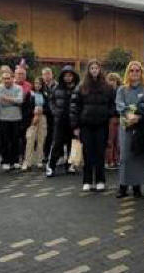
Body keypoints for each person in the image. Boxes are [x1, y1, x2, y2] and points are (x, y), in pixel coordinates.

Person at [70, 59, 114, 192]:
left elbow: (113, 104)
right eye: (92, 68)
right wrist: (75, 126)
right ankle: (87, 180)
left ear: (100, 70)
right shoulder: (81, 86)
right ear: (88, 70)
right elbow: (74, 107)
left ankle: (100, 180)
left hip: (101, 124)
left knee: (100, 153)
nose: (94, 70)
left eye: (96, 68)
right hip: (86, 125)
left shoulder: (107, 87)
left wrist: (108, 114)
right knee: (87, 153)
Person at [115, 61, 144, 198]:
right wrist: (129, 114)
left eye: (137, 70)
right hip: (126, 127)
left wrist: (139, 116)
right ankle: (123, 187)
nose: (134, 73)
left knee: (139, 156)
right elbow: (119, 104)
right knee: (126, 157)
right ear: (128, 72)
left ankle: (137, 187)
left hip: (142, 127)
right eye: (132, 70)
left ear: (141, 73)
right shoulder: (122, 89)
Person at [45, 65, 79, 176]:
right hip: (60, 120)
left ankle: (70, 165)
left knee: (72, 144)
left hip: (72, 121)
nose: (68, 78)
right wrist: (55, 112)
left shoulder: (78, 89)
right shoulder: (57, 88)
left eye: (70, 76)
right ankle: (51, 166)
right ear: (62, 77)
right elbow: (51, 101)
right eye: (66, 76)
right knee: (56, 144)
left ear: (73, 76)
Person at [0, 71, 24, 171]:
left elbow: (20, 100)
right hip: (3, 118)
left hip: (16, 118)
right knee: (4, 141)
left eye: (9, 78)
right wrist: (13, 101)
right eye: (5, 78)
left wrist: (5, 99)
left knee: (15, 140)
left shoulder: (18, 88)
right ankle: (6, 161)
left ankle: (15, 161)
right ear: (2, 79)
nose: (7, 80)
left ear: (13, 78)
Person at [22, 84, 47, 170]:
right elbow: (25, 107)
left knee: (41, 139)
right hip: (31, 118)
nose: (38, 85)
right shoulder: (30, 94)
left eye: (40, 83)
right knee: (30, 139)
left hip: (43, 117)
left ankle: (39, 161)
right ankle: (28, 161)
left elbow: (49, 107)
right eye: (36, 83)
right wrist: (33, 113)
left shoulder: (45, 94)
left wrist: (43, 110)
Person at [36, 67, 57, 162]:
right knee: (45, 135)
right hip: (44, 114)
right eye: (44, 74)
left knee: (54, 135)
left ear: (52, 75)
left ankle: (54, 155)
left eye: (48, 74)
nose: (46, 76)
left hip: (55, 114)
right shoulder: (41, 86)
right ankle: (45, 154)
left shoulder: (57, 86)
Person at [104, 72, 122, 170]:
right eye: (110, 80)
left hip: (120, 118)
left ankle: (116, 159)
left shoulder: (121, 90)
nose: (112, 82)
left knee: (118, 141)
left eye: (113, 80)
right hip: (111, 118)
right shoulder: (107, 92)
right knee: (110, 140)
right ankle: (109, 161)